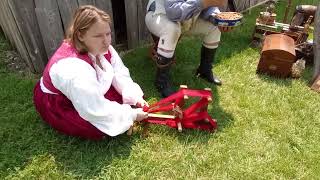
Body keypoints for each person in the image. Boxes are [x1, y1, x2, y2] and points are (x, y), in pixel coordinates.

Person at [33, 5, 148, 140]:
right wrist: (131, 115)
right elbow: (93, 109)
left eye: (108, 33)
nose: (106, 41)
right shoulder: (72, 68)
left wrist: (135, 97)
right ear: (80, 35)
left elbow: (119, 72)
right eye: (98, 36)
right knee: (94, 126)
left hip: (83, 91)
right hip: (57, 101)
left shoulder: (102, 47)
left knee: (117, 99)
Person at [145, 0, 234, 97]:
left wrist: (216, 18)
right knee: (172, 29)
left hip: (186, 19)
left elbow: (208, 7)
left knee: (215, 25)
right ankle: (161, 81)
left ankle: (205, 70)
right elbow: (173, 11)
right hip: (160, 14)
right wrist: (204, 2)